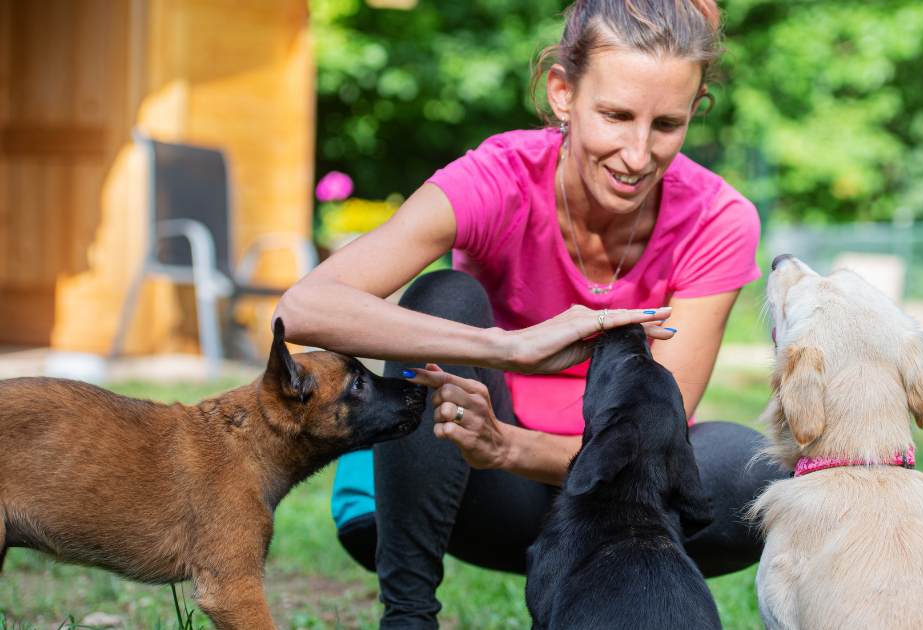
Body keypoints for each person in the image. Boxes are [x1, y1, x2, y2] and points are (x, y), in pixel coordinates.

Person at [275, 0, 789, 627]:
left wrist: (509, 446)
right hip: (468, 489)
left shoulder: (717, 218)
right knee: (445, 297)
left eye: (666, 125)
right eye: (615, 115)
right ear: (562, 92)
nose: (637, 155)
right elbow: (304, 308)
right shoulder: (500, 178)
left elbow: (654, 436)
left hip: (612, 508)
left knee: (758, 475)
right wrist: (508, 347)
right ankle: (407, 616)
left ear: (696, 109)